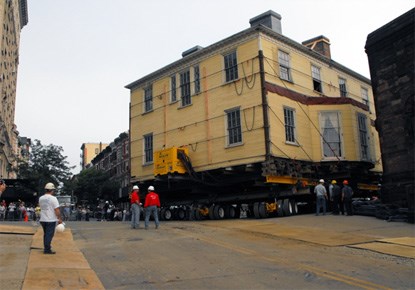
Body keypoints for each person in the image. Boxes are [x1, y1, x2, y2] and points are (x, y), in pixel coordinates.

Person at [39, 182, 63, 254]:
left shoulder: (41, 198)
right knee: (49, 234)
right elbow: (57, 210)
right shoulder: (53, 198)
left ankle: (46, 247)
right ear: (52, 190)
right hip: (50, 219)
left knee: (46, 234)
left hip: (43, 219)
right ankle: (47, 249)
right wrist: (59, 218)